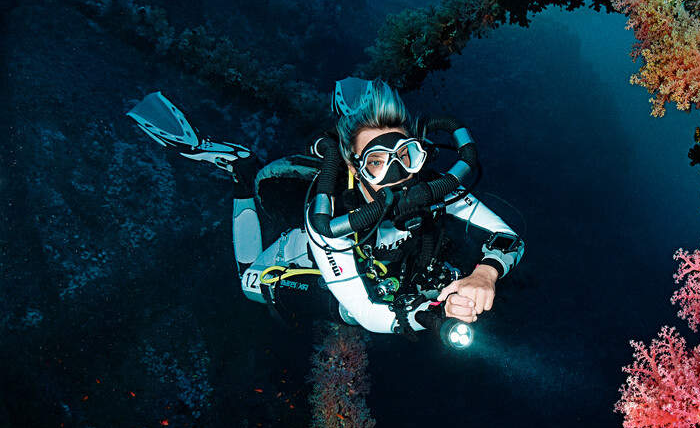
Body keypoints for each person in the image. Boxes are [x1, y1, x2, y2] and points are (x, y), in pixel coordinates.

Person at [128, 78, 524, 340]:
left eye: (408, 154)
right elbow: (368, 312)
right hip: (314, 255)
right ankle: (240, 169)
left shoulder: (433, 187)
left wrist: (485, 275)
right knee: (253, 286)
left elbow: (509, 237)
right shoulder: (329, 221)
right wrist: (428, 316)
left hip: (388, 264)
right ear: (354, 167)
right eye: (377, 161)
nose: (401, 175)